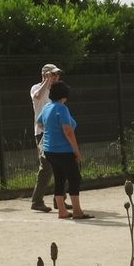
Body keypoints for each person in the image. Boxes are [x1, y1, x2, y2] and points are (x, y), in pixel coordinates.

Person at [36, 81, 91, 220]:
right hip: (63, 150)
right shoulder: (61, 108)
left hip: (49, 150)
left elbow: (39, 123)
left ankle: (62, 211)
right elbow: (68, 131)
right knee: (74, 178)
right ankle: (77, 211)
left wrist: (51, 132)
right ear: (64, 95)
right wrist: (76, 151)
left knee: (59, 178)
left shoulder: (47, 107)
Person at [29, 63, 62, 212]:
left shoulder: (57, 90)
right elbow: (37, 97)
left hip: (56, 132)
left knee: (61, 166)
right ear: (45, 74)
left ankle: (59, 200)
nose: (56, 77)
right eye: (53, 74)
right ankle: (37, 201)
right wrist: (46, 82)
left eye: (57, 75)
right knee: (46, 167)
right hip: (42, 133)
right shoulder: (36, 88)